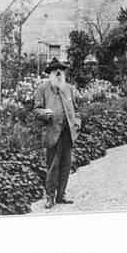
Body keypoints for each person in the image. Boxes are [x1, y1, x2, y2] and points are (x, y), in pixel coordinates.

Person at [33, 57, 81, 209]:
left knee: (66, 165)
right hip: (53, 133)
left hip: (68, 133)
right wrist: (44, 113)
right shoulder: (43, 89)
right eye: (55, 70)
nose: (59, 72)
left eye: (61, 70)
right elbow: (36, 110)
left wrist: (77, 122)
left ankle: (61, 195)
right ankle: (49, 197)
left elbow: (77, 110)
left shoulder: (68, 88)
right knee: (53, 166)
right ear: (50, 74)